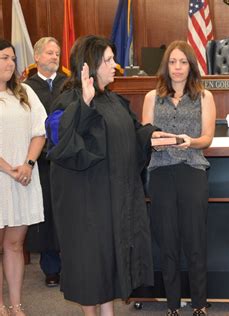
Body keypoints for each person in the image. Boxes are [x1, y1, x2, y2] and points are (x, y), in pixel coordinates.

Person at [46, 35, 160, 315]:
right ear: (90, 66)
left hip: (113, 200)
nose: (115, 65)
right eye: (108, 60)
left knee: (108, 262)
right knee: (91, 265)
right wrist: (83, 104)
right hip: (86, 205)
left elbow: (130, 135)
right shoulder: (67, 101)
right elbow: (60, 139)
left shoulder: (113, 101)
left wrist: (153, 136)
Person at [142, 40, 216, 316]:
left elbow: (207, 138)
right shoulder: (152, 97)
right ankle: (172, 304)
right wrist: (154, 139)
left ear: (190, 66)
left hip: (192, 169)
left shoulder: (204, 97)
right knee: (168, 240)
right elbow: (145, 135)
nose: (177, 67)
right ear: (166, 65)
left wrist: (190, 141)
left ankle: (199, 304)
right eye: (172, 62)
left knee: (195, 239)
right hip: (160, 171)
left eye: (182, 62)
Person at [0, 39, 46, 315]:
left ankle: (16, 306)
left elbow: (39, 131)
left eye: (13, 58)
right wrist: (8, 168)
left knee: (15, 244)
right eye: (4, 57)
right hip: (3, 176)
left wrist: (28, 164)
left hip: (24, 177)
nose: (10, 63)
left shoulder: (25, 92)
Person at [24, 37, 66, 288]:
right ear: (37, 57)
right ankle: (51, 267)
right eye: (50, 53)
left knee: (67, 211)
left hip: (66, 158)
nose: (54, 57)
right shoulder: (26, 89)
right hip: (40, 161)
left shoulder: (68, 85)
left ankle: (71, 262)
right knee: (46, 213)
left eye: (58, 53)